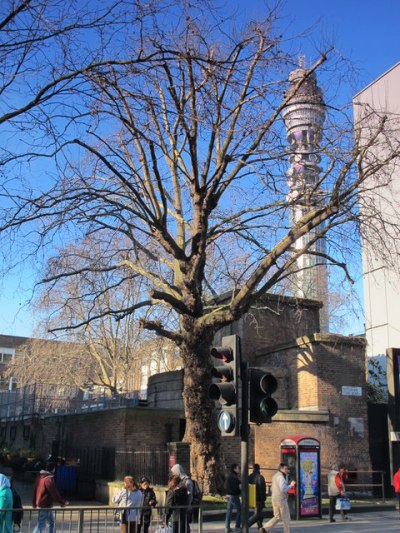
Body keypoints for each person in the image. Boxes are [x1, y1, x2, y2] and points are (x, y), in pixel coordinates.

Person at [32, 460, 67, 533]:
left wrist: (34, 503)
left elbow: (35, 490)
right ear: (53, 469)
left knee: (50, 522)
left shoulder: (40, 477)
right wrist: (62, 502)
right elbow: (54, 492)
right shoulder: (48, 479)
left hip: (42, 503)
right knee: (41, 524)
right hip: (45, 504)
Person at [262, 463, 295, 533]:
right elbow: (283, 489)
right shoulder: (281, 477)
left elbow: (271, 488)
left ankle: (264, 529)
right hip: (281, 499)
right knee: (286, 518)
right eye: (285, 469)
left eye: (287, 469)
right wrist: (290, 485)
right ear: (281, 469)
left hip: (274, 498)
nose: (286, 470)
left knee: (277, 517)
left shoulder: (275, 476)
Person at [170, 464, 193, 529]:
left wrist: (187, 505)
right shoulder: (178, 480)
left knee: (184, 526)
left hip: (185, 508)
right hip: (179, 510)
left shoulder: (187, 481)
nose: (173, 474)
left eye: (174, 472)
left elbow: (190, 495)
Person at [248, 464, 267, 531]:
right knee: (257, 515)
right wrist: (263, 498)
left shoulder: (249, 476)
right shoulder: (260, 477)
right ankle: (246, 525)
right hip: (259, 498)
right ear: (259, 469)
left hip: (252, 497)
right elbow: (262, 489)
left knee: (259, 514)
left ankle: (260, 527)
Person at [224, 463, 241, 533]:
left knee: (229, 511)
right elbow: (236, 488)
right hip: (234, 496)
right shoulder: (234, 477)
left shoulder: (229, 476)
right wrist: (239, 490)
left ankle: (227, 527)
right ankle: (237, 526)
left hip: (229, 495)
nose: (239, 469)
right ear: (234, 469)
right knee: (240, 510)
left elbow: (225, 486)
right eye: (238, 468)